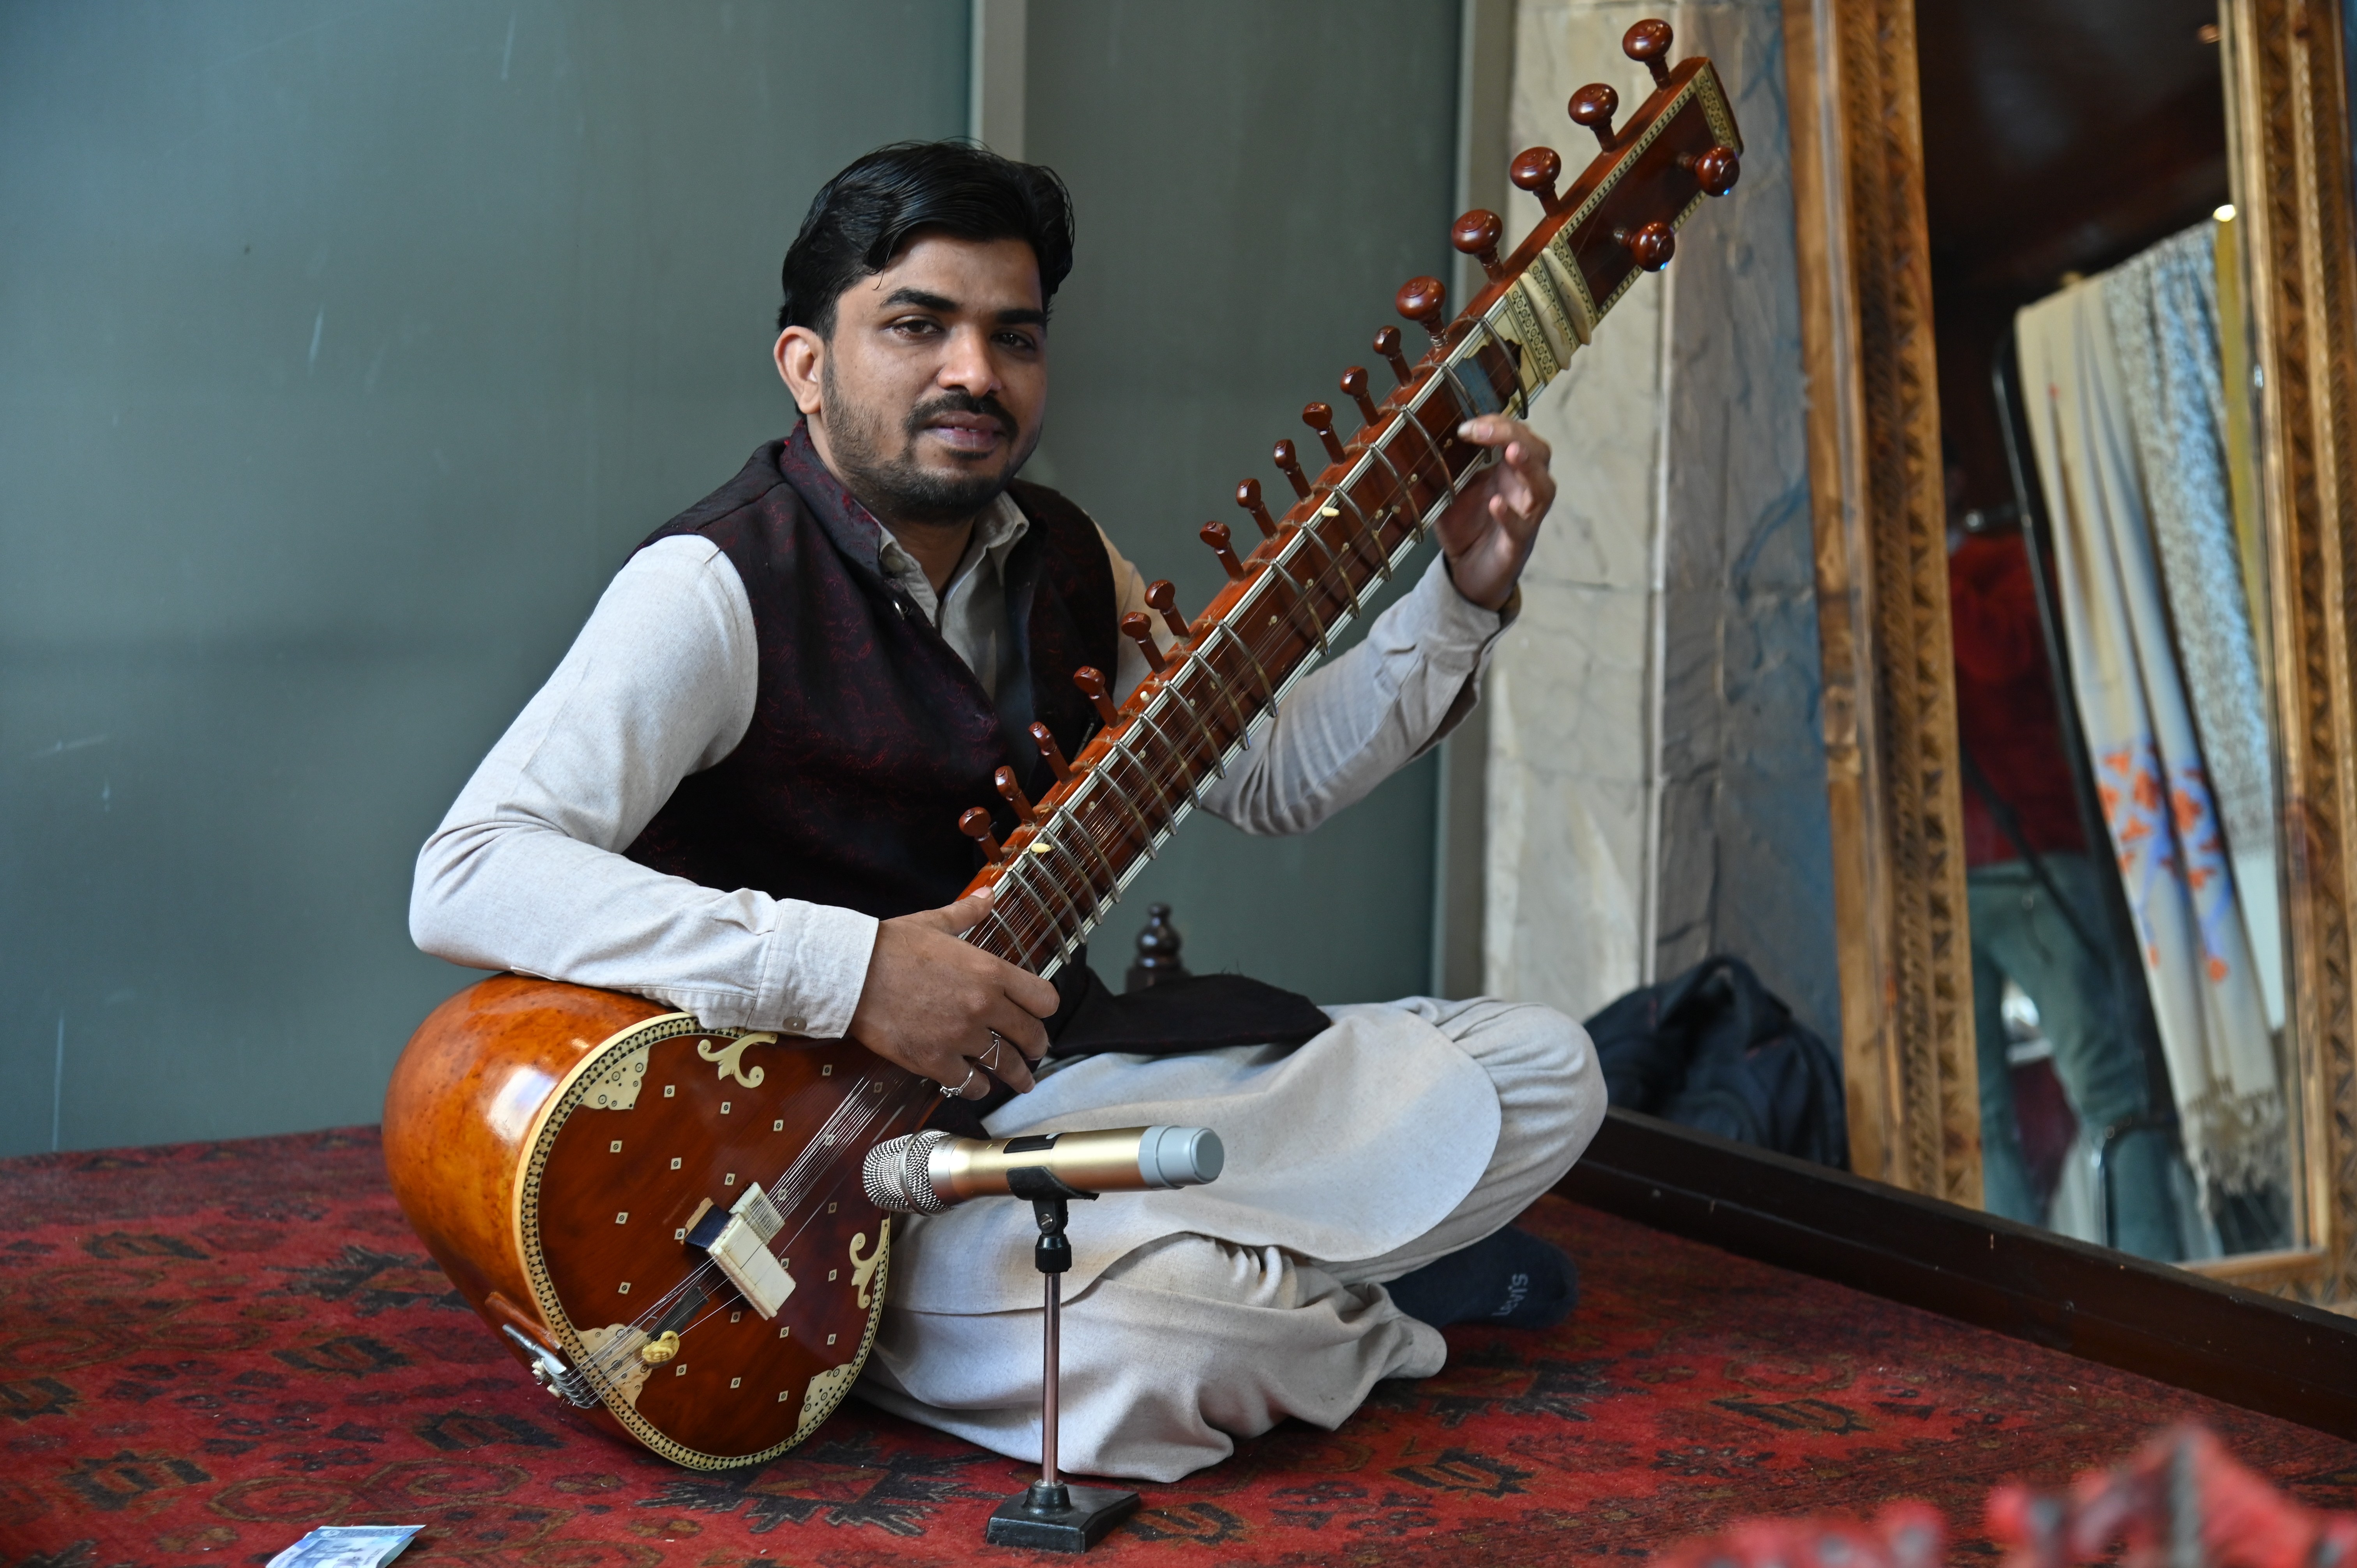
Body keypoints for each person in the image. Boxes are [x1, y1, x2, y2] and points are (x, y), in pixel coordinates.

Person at [410, 141, 1604, 1481]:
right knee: (1161, 1346)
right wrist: (853, 971)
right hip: (825, 1175)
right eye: (916, 326)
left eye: (1011, 336)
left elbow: (1269, 775)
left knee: (1545, 1070)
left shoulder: (1066, 559)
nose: (972, 373)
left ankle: (1207, 1276)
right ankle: (1303, 1294)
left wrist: (1461, 595)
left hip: (1052, 1093)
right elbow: (469, 870)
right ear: (805, 363)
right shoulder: (712, 587)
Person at [1949, 510, 2180, 1260]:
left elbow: (2004, 656)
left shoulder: (2009, 560)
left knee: (2106, 1084)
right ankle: (2005, 1294)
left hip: (2032, 853)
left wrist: (1932, 568)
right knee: (1970, 1116)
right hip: (1943, 873)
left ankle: (2153, 1276)